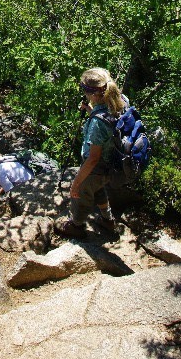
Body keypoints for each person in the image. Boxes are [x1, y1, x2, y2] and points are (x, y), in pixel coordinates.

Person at [55, 67, 125, 239]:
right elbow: (107, 124)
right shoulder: (118, 103)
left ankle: (76, 226)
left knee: (81, 195)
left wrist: (76, 183)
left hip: (96, 167)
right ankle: (108, 220)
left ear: (93, 93)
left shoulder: (97, 123)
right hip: (110, 164)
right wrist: (90, 110)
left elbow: (93, 159)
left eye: (85, 89)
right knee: (99, 190)